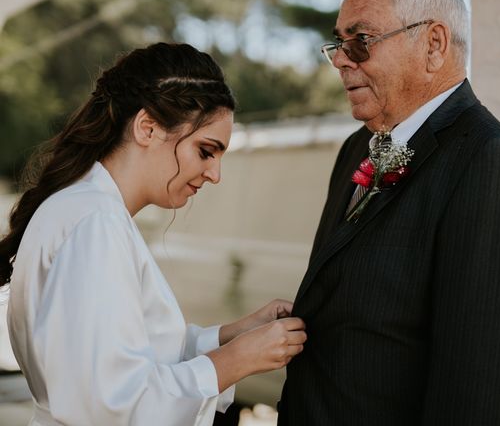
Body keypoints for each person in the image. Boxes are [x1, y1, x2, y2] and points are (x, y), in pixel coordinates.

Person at [278, 0, 500, 426]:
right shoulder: (357, 149)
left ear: (433, 45)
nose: (342, 59)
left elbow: (481, 398)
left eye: (360, 41)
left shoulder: (495, 165)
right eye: (338, 44)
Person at [0, 42, 307, 426]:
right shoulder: (94, 222)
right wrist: (234, 361)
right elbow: (111, 402)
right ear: (148, 128)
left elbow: (127, 354)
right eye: (206, 151)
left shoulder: (88, 209)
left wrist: (231, 336)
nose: (215, 175)